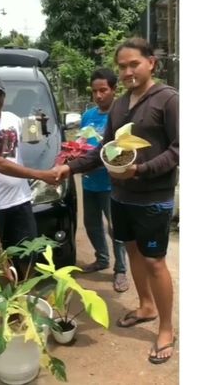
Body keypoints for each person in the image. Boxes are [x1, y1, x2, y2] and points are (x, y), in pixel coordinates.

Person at [55, 38, 178, 364]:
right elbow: (103, 151)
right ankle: (146, 306)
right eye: (122, 66)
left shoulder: (168, 100)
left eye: (133, 64)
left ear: (151, 62)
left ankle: (166, 327)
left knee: (155, 261)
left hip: (153, 196)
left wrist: (140, 170)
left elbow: (179, 150)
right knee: (133, 251)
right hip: (120, 195)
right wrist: (70, 167)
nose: (127, 71)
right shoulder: (121, 105)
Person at [0, 73, 60, 278]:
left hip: (20, 200)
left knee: (28, 253)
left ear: (4, 96)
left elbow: (33, 140)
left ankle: (23, 295)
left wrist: (40, 125)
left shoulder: (12, 118)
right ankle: (1, 301)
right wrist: (41, 175)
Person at [77, 68, 129, 293]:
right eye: (94, 91)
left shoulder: (122, 114)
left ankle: (121, 270)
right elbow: (82, 143)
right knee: (91, 223)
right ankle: (102, 258)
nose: (98, 96)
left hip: (112, 184)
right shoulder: (88, 116)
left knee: (115, 228)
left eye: (103, 90)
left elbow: (124, 150)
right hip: (89, 181)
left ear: (114, 90)